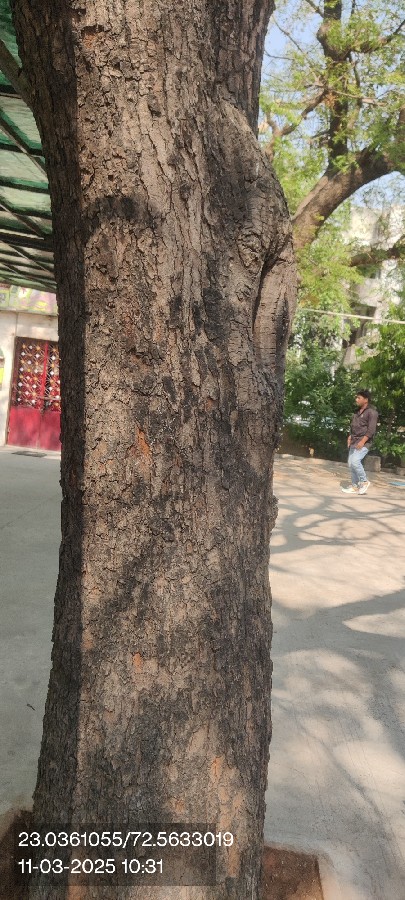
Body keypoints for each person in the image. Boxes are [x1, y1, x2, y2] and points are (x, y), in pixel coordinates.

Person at [341, 389, 378, 495]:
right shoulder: (356, 412)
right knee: (351, 463)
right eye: (356, 397)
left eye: (359, 398)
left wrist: (362, 442)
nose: (356, 399)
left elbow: (371, 430)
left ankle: (364, 481)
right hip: (354, 441)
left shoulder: (372, 412)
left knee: (355, 462)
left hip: (364, 442)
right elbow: (353, 426)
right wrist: (350, 436)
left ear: (366, 400)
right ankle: (355, 486)